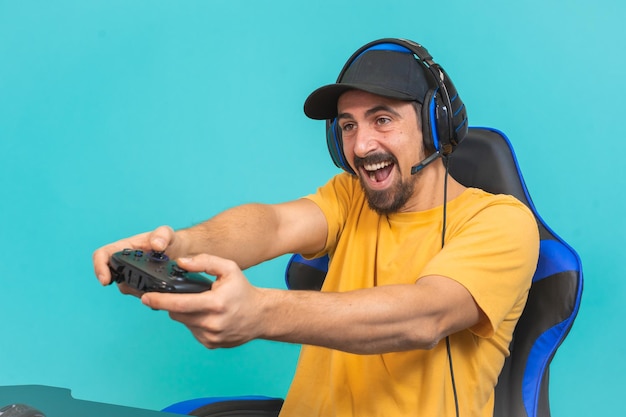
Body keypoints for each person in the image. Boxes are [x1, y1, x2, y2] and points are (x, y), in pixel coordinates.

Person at [93, 38, 539, 417]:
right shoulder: (351, 196)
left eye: (382, 119)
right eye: (348, 126)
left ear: (435, 125)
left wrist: (260, 314)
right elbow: (272, 224)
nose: (361, 145)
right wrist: (178, 246)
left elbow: (424, 316)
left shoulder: (500, 222)